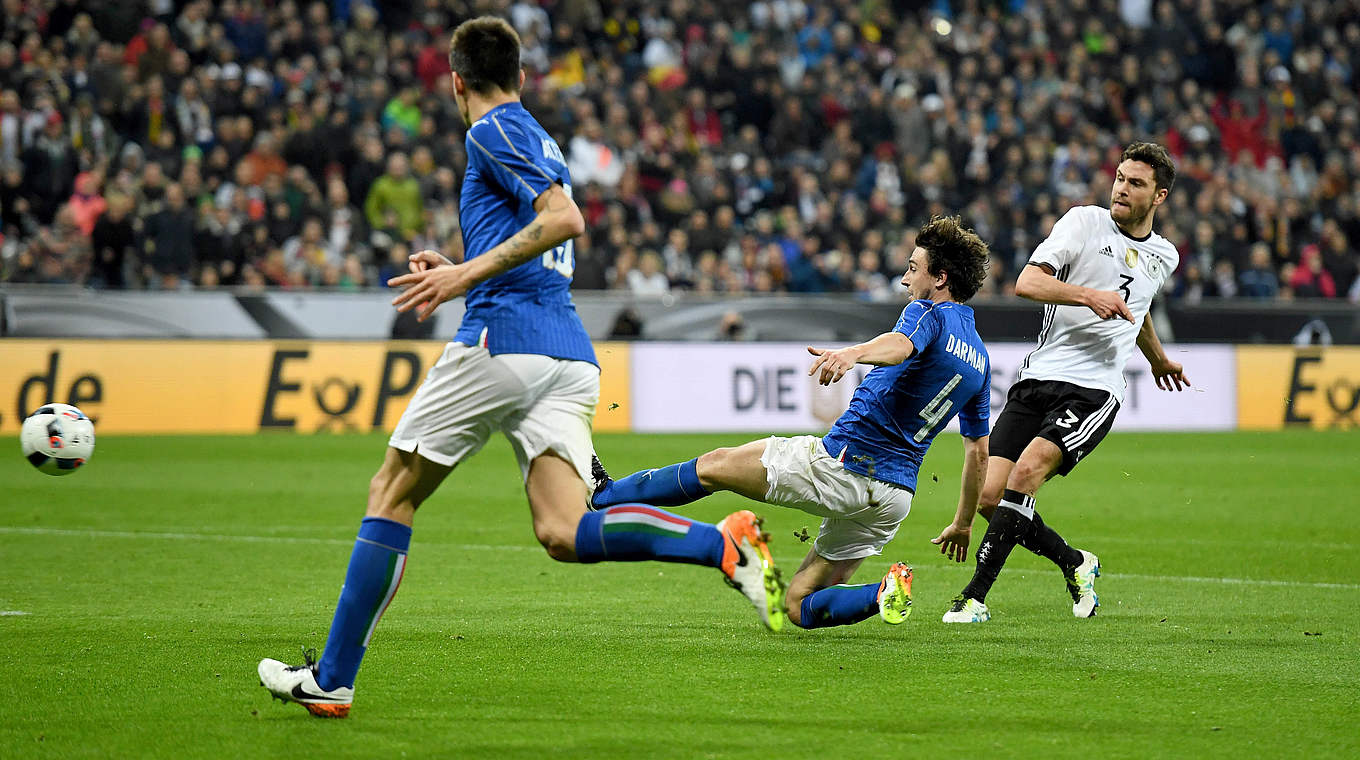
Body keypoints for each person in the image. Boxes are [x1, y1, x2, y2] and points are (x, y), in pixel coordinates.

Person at [257, 17, 782, 718]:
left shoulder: (491, 128)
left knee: (392, 491)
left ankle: (333, 678)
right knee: (563, 531)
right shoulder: (537, 134)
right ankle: (719, 546)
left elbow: (564, 220)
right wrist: (467, 269)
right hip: (565, 352)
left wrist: (464, 277)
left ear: (455, 82)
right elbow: (534, 234)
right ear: (524, 76)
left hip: (504, 341)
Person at [592, 216, 993, 630]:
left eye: (913, 267)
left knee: (713, 466)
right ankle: (883, 592)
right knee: (798, 605)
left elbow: (899, 346)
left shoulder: (927, 313)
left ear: (940, 278)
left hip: (843, 465)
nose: (906, 279)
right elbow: (979, 454)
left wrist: (853, 353)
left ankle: (605, 496)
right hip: (893, 499)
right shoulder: (980, 359)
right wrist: (963, 524)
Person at [942, 142, 1190, 624]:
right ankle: (1076, 563)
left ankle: (973, 597)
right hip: (1038, 377)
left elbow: (1134, 312)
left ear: (1159, 197)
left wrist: (1158, 360)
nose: (1121, 188)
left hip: (1094, 389)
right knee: (992, 496)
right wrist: (1086, 296)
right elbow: (1027, 282)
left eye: (1135, 183)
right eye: (1119, 177)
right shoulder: (1083, 222)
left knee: (1024, 476)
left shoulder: (1164, 257)